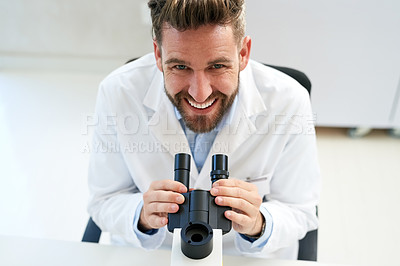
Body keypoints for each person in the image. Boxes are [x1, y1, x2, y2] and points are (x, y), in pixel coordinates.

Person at [87, 0, 320, 260]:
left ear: (243, 53)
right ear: (158, 55)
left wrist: (259, 224)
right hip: (152, 254)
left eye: (217, 66)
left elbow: (300, 210)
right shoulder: (117, 92)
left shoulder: (289, 100)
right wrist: (141, 214)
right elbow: (104, 201)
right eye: (180, 67)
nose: (200, 93)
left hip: (244, 258)